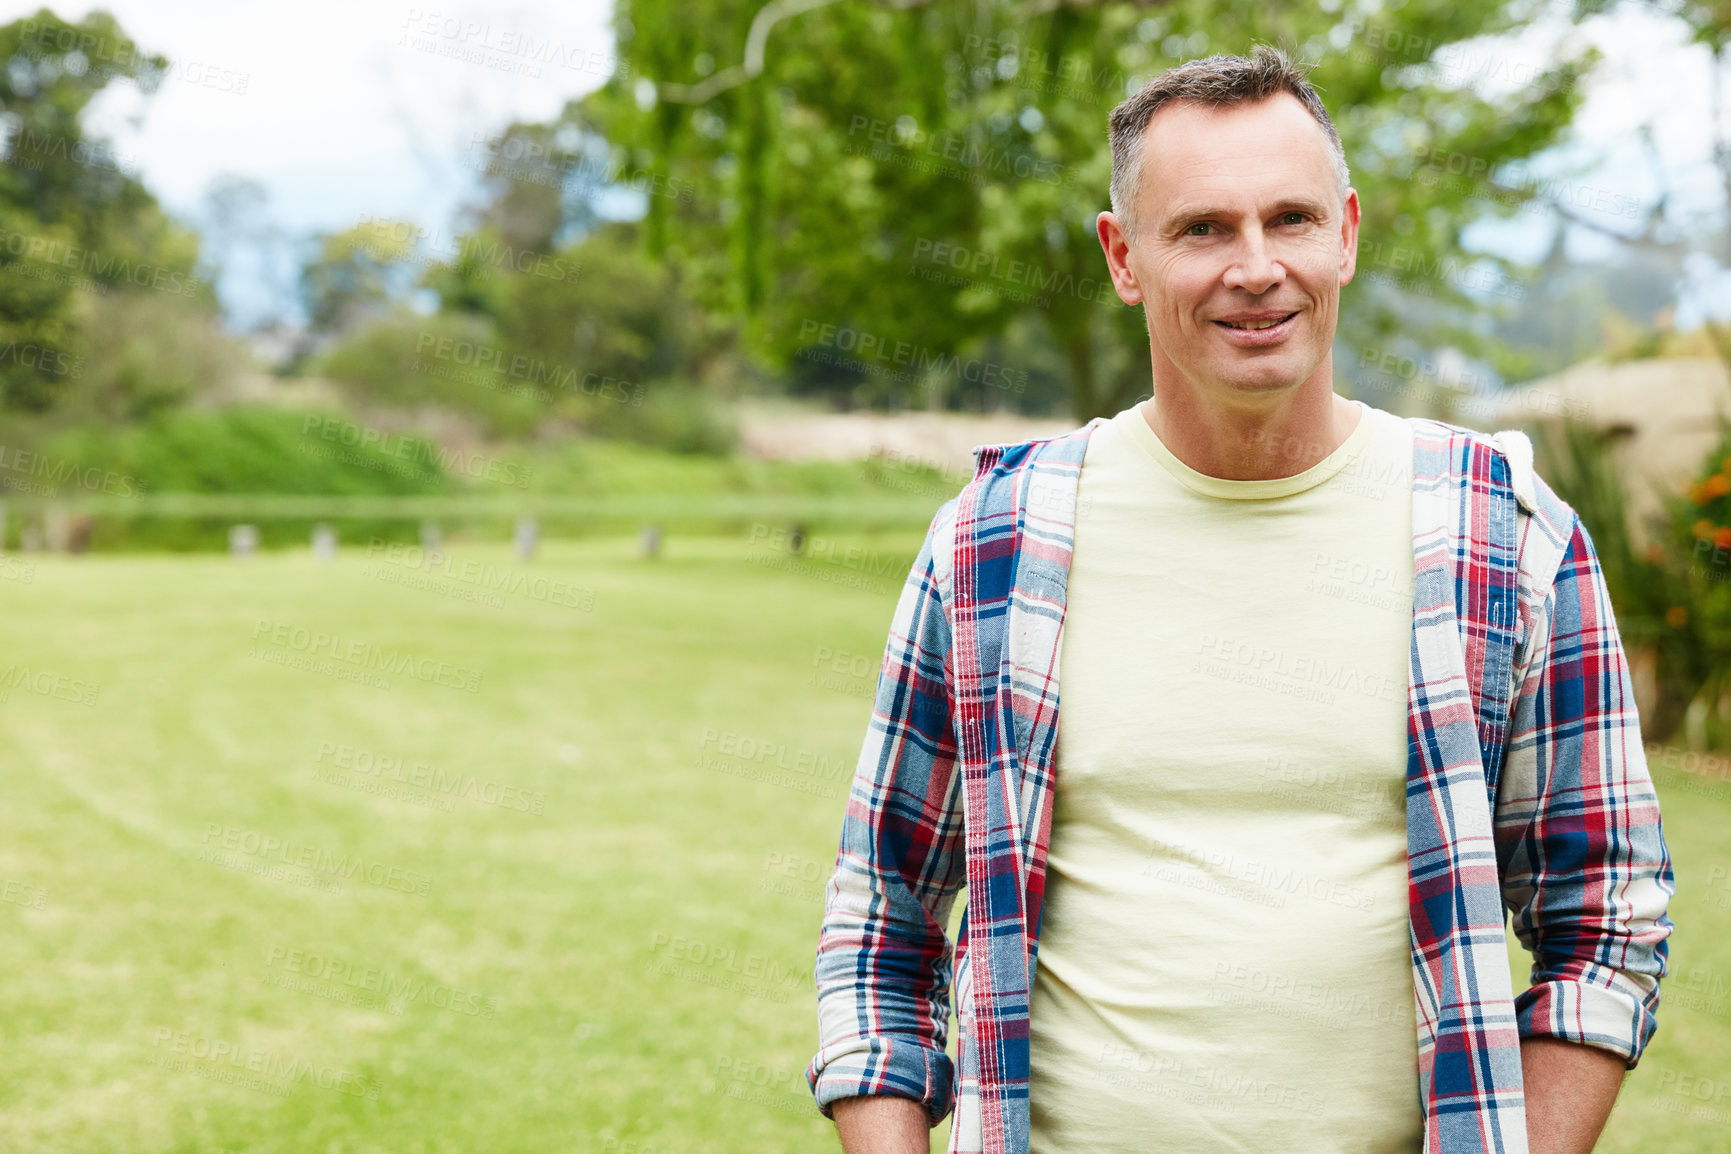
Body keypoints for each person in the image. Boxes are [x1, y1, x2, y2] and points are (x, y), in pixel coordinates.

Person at [805, 45, 1674, 1154]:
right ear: (1123, 257)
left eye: (1292, 219)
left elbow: (1606, 916)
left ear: (1348, 232)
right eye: (1203, 228)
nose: (1256, 267)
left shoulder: (1502, 532)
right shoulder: (995, 539)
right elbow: (882, 916)